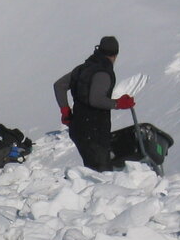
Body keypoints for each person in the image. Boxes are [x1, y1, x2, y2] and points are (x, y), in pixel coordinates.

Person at [53, 35, 135, 172]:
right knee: (102, 175)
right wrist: (118, 103)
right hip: (94, 131)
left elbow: (59, 86)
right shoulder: (103, 72)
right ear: (115, 54)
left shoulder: (83, 68)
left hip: (78, 128)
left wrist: (65, 110)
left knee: (93, 171)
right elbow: (95, 99)